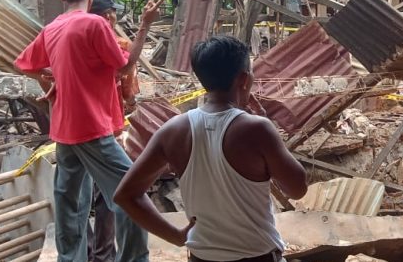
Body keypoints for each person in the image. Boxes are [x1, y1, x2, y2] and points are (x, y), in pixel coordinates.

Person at [114, 35, 308, 262]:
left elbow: (126, 195)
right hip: (257, 256)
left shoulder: (172, 131)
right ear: (244, 79)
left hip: (201, 256)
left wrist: (176, 236)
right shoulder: (257, 129)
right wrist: (271, 137)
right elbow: (297, 189)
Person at [16, 0, 161, 262]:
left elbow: (26, 64)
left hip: (64, 130)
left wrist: (54, 78)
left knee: (71, 204)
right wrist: (145, 25)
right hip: (92, 129)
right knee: (131, 196)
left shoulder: (52, 28)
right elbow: (124, 66)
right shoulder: (94, 25)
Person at [85, 0, 140, 262]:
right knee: (112, 193)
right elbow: (130, 95)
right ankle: (104, 253)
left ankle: (88, 251)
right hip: (107, 129)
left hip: (76, 131)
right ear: (108, 16)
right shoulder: (121, 46)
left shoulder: (73, 42)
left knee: (78, 194)